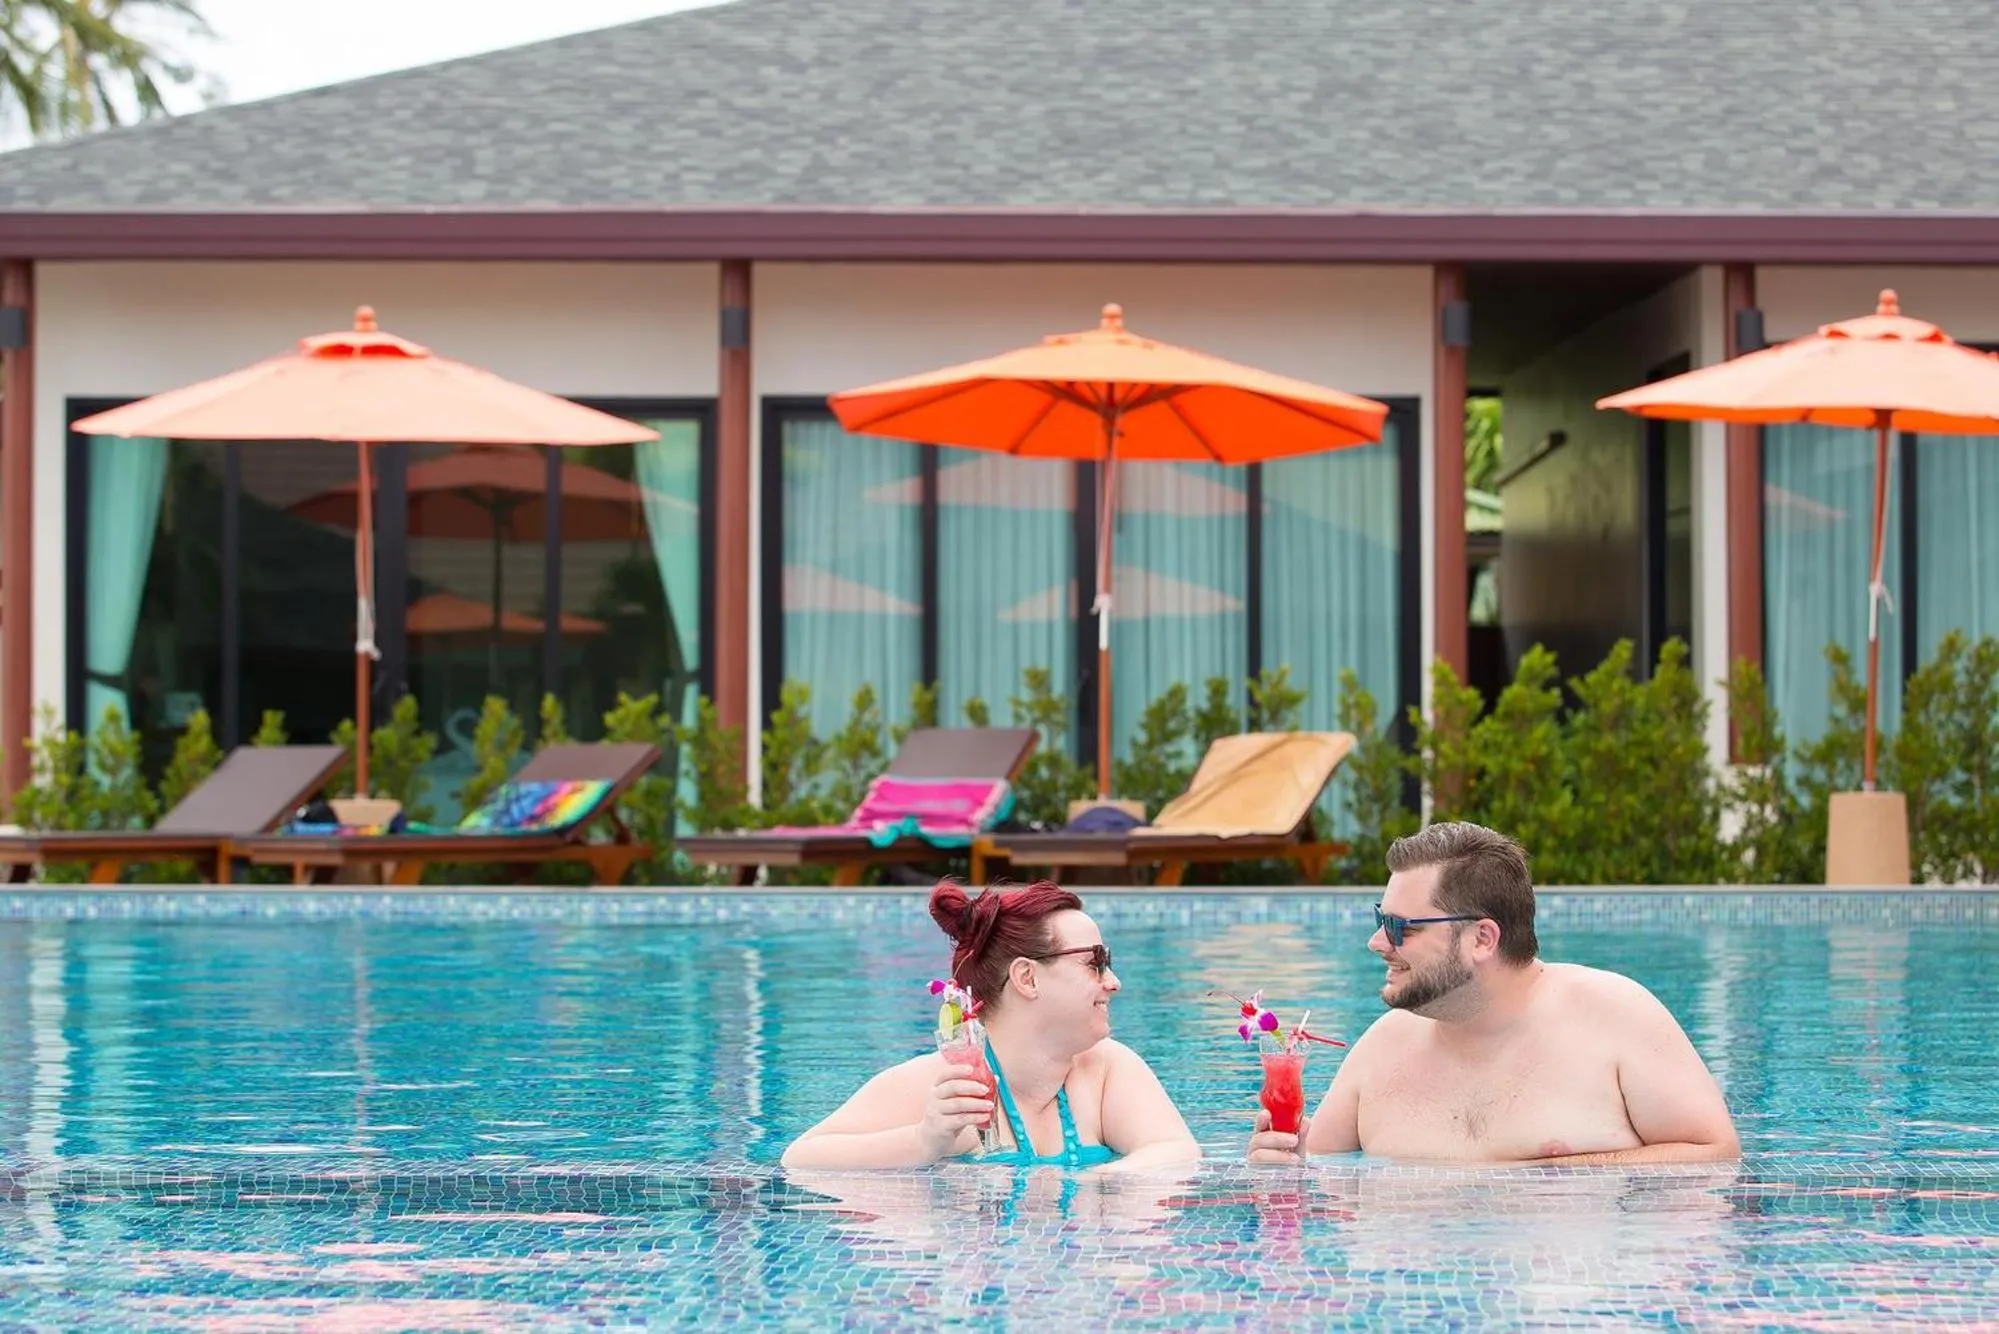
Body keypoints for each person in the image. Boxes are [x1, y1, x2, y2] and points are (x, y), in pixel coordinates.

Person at [1248, 822, 1740, 1166]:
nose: (1377, 942)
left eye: (1399, 926)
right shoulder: (1383, 1047)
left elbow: (1715, 1155)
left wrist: (1568, 1175)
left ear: (1482, 938)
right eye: (1381, 920)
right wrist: (1280, 1162)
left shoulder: (1614, 1017)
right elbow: (1314, 1175)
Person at [783, 879, 1199, 1171]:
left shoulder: (1105, 1070)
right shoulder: (946, 1083)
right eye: (1095, 963)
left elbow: (1175, 1152)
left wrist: (1093, 1183)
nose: (1113, 982)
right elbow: (801, 1159)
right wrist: (926, 1140)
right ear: (1027, 978)